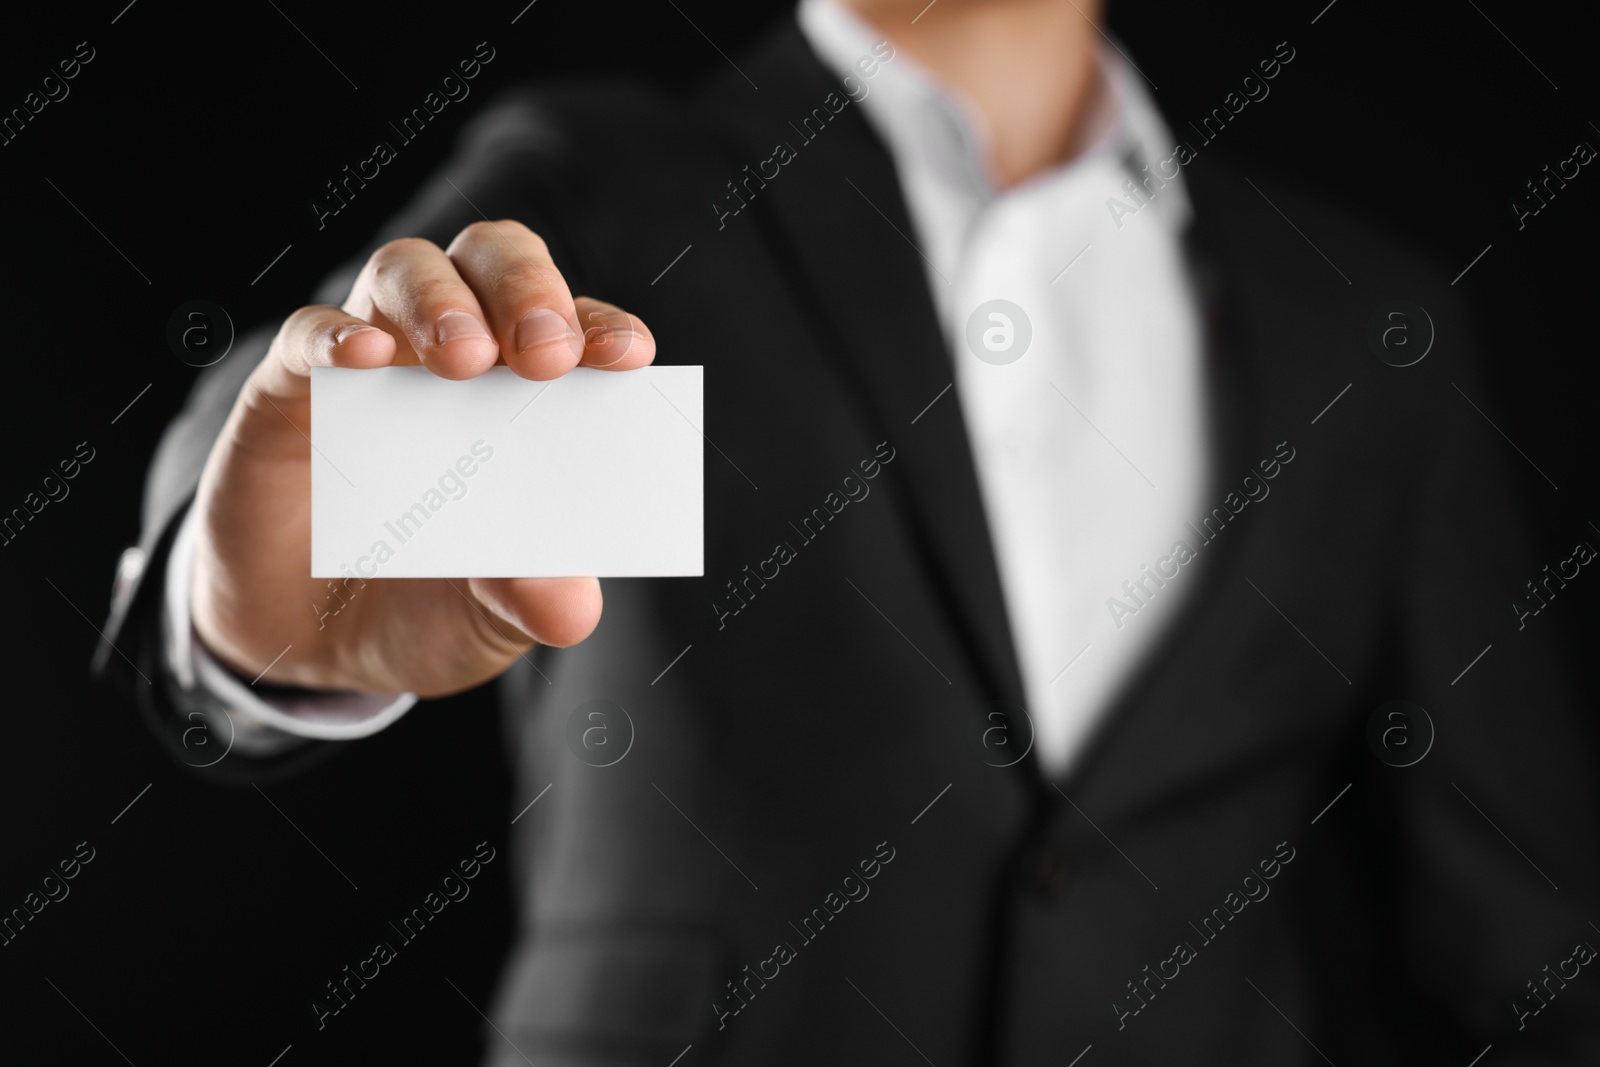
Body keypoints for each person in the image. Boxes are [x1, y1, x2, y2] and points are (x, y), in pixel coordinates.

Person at [99, 0, 1600, 1062]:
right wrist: (249, 606)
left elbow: (1531, 960)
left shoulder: (1363, 322)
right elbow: (323, 380)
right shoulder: (608, 185)